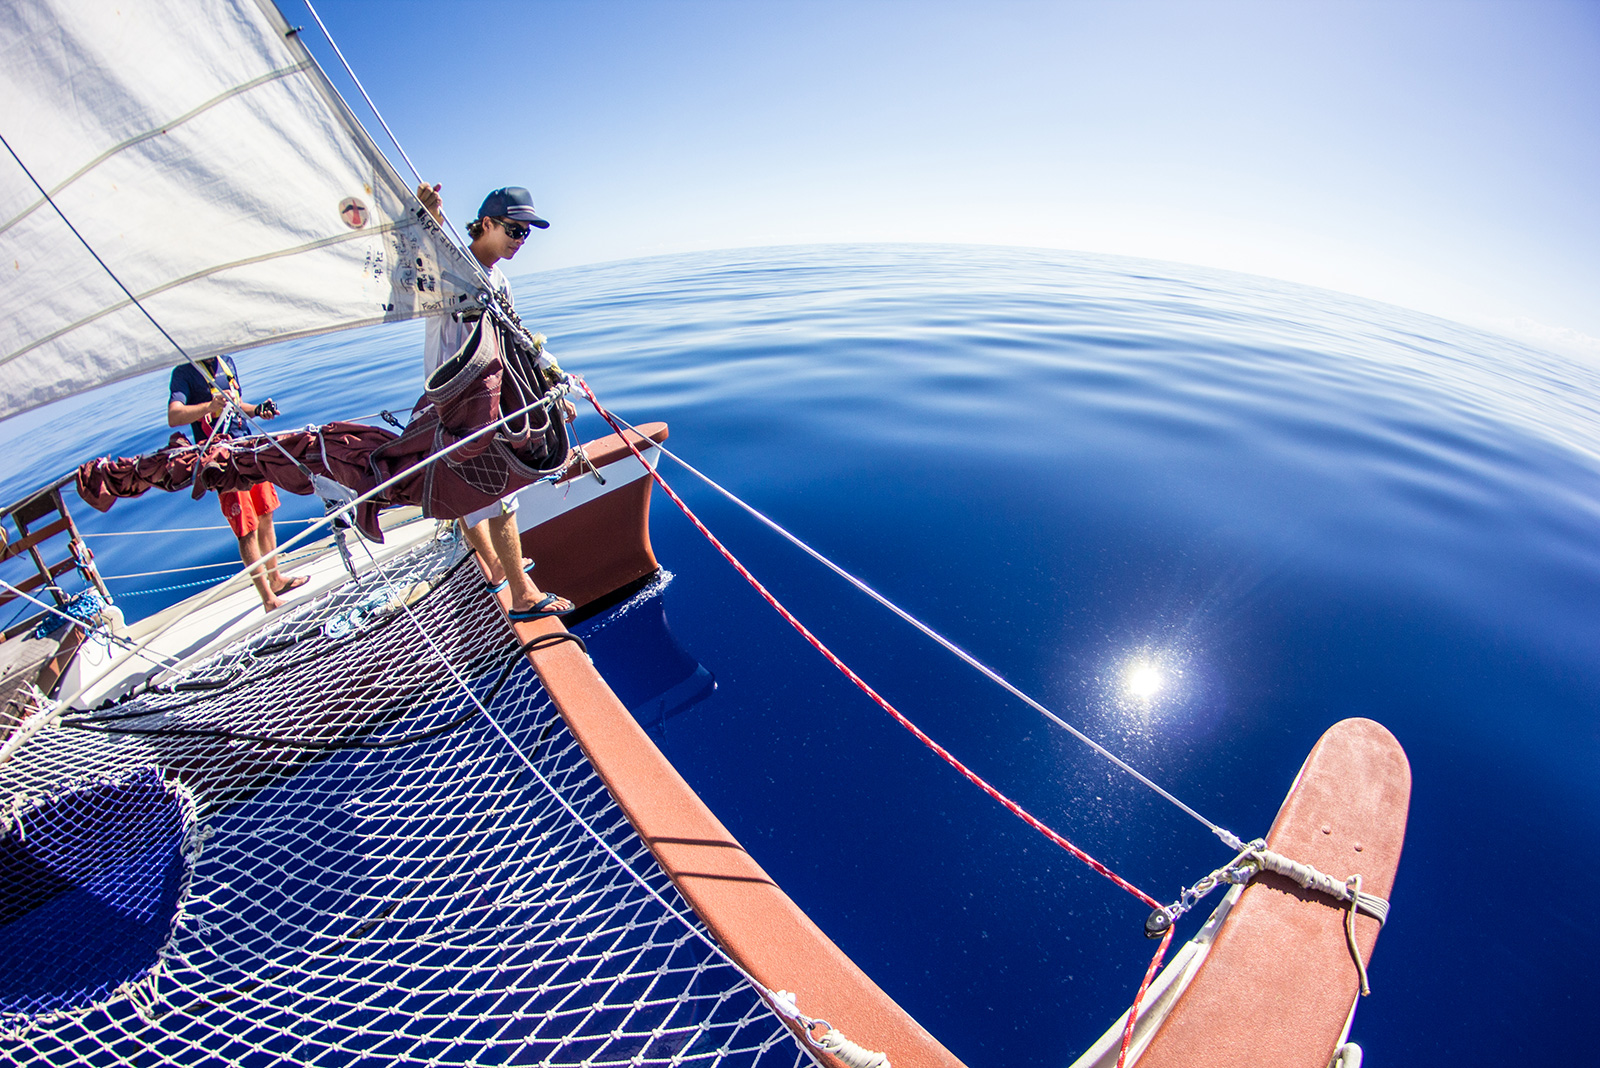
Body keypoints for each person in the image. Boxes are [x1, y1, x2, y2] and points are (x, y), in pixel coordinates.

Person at [416, 182, 575, 621]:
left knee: (468, 487)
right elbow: (412, 268)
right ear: (485, 224)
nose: (520, 240)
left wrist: (549, 381)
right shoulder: (447, 264)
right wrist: (423, 220)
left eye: (527, 233)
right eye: (513, 229)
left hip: (476, 396)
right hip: (459, 397)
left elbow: (515, 338)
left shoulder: (498, 279)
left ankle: (491, 567)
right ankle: (523, 596)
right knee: (498, 490)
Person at [167, 355, 307, 612]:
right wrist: (209, 407)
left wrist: (259, 409)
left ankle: (276, 580)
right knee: (246, 528)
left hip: (248, 448)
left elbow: (238, 404)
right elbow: (174, 415)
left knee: (266, 513)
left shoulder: (226, 361)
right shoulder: (184, 373)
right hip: (222, 458)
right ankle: (268, 599)